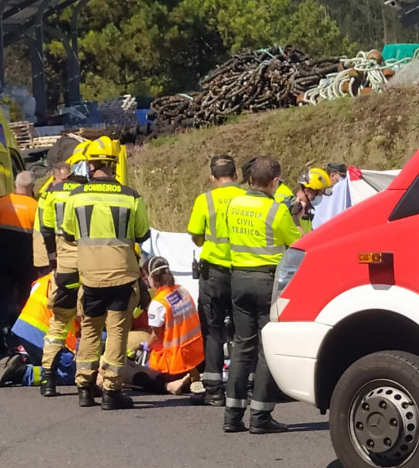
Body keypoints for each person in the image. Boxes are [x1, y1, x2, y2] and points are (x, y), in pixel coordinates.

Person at [62, 136, 150, 410]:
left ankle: (85, 389)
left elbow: (68, 234)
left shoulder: (75, 197)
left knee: (89, 331)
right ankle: (111, 391)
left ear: (90, 166)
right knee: (116, 334)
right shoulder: (131, 196)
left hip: (90, 277)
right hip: (122, 276)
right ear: (114, 166)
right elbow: (142, 234)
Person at [223, 156, 301, 433]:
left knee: (242, 346)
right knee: (267, 349)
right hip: (266, 282)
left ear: (248, 179)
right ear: (275, 181)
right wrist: (296, 218)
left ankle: (232, 416)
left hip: (238, 280)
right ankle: (260, 416)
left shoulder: (234, 205)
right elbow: (297, 243)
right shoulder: (276, 211)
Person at [186, 154, 245, 406]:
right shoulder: (248, 199)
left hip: (213, 274)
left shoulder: (205, 200)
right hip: (244, 270)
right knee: (245, 330)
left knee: (213, 331)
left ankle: (213, 390)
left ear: (212, 178)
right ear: (237, 175)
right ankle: (245, 384)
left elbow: (196, 236)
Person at [39, 154, 88, 397]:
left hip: (65, 265)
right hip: (90, 264)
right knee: (89, 324)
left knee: (58, 324)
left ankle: (48, 379)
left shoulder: (52, 193)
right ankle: (85, 383)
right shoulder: (85, 193)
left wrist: (53, 260)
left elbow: (46, 228)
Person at [122, 256, 204, 395]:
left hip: (172, 363)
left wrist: (146, 346)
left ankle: (168, 385)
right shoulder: (182, 290)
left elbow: (155, 336)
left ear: (152, 278)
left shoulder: (158, 303)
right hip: (195, 355)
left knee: (125, 370)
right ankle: (190, 377)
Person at [0, 273, 78, 389]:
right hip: (46, 335)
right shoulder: (90, 281)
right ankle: (22, 372)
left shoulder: (53, 275)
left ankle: (22, 363)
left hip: (24, 328)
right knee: (77, 373)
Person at [0, 171, 38, 353]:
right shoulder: (36, 206)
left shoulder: (1, 202)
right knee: (25, 302)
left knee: (0, 301)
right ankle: (21, 342)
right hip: (26, 262)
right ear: (31, 187)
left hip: (2, 258)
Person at [33, 162, 71, 277]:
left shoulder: (55, 193)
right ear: (54, 178)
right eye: (64, 180)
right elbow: (47, 229)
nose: (67, 183)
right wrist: (53, 257)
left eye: (69, 179)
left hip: (53, 252)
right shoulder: (49, 196)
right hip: (46, 253)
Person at [290, 167, 332, 234]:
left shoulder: (307, 211)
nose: (320, 196)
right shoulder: (293, 209)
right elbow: (298, 240)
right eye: (318, 193)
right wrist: (295, 219)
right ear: (307, 191)